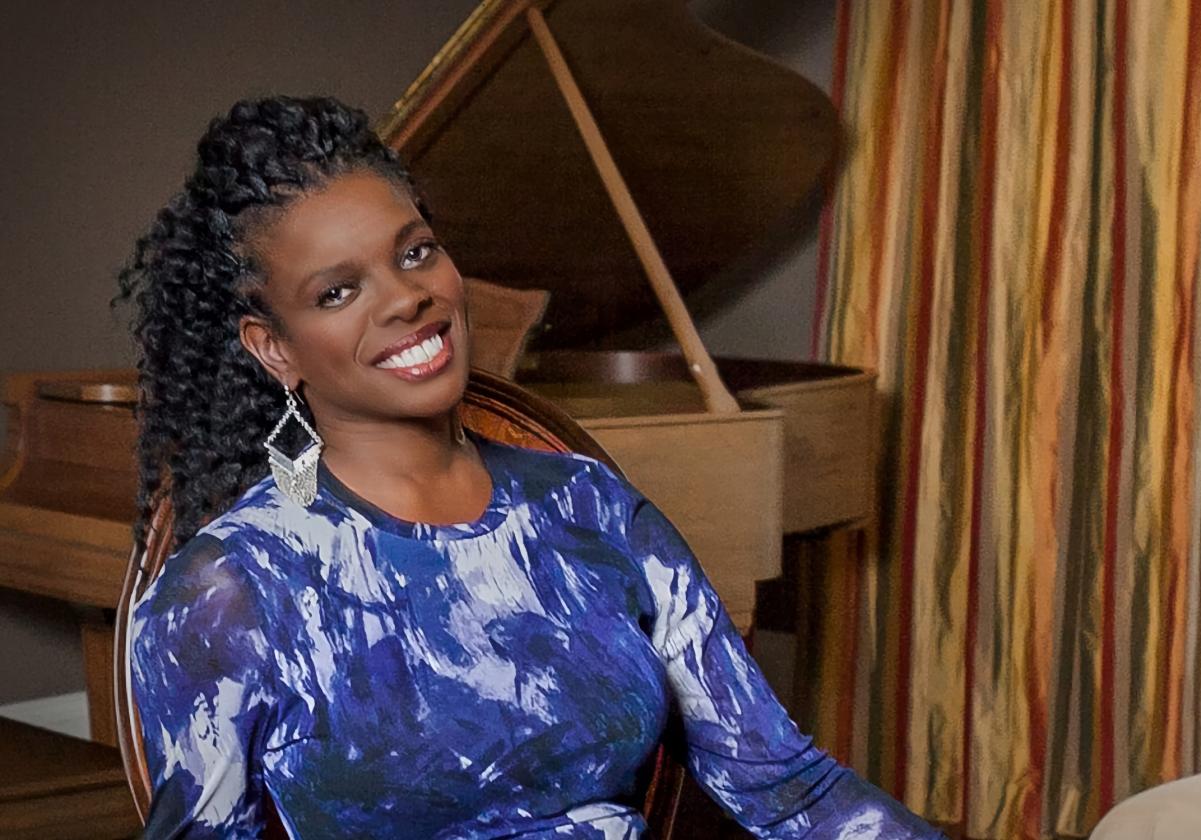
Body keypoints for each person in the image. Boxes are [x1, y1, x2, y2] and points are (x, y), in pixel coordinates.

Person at [118, 95, 945, 839]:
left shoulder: (592, 510)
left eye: (415, 253)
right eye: (338, 292)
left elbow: (787, 790)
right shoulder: (227, 591)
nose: (406, 298)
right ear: (272, 347)